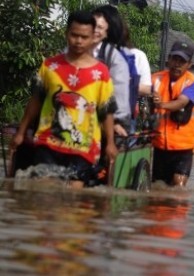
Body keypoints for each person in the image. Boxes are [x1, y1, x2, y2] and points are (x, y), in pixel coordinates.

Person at [9, 11, 118, 188]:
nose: (79, 41)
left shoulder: (102, 74)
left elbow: (106, 111)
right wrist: (21, 132)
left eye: (84, 37)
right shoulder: (49, 66)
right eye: (74, 35)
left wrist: (111, 144)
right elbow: (35, 101)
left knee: (73, 200)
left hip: (84, 147)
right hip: (48, 142)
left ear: (92, 38)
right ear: (67, 34)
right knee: (44, 193)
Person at [151, 41, 194, 187]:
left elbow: (182, 102)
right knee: (158, 186)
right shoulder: (155, 79)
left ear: (189, 64)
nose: (177, 64)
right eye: (175, 59)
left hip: (183, 147)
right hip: (159, 144)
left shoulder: (193, 83)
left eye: (182, 61)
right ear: (168, 59)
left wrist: (161, 104)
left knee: (178, 186)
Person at [92, 5, 131, 137]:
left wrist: (115, 122)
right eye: (92, 25)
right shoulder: (71, 51)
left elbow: (118, 93)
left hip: (100, 125)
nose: (94, 31)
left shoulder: (114, 58)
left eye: (100, 27)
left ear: (107, 32)